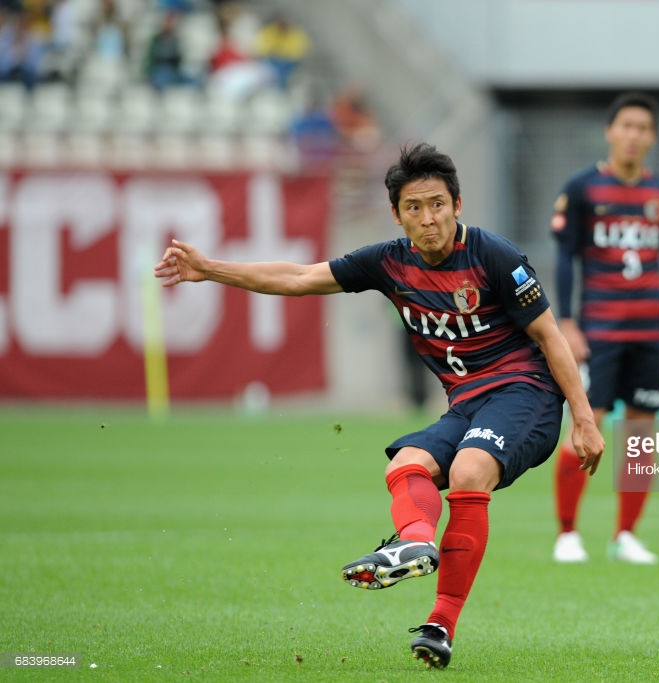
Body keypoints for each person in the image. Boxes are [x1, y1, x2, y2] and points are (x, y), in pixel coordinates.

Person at [153, 142, 605, 669]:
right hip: (465, 404)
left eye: (437, 204)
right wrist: (210, 269)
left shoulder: (495, 257)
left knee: (467, 470)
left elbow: (550, 337)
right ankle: (414, 545)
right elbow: (299, 278)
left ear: (458, 206)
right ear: (397, 214)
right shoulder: (388, 262)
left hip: (526, 392)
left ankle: (442, 620)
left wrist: (585, 418)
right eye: (414, 207)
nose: (428, 218)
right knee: (406, 464)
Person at [549, 91, 659, 565]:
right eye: (626, 126)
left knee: (641, 435)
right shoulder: (583, 189)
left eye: (643, 128)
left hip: (650, 330)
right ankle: (567, 533)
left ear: (652, 137)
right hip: (599, 331)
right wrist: (567, 322)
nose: (633, 135)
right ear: (610, 131)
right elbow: (565, 259)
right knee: (588, 427)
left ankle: (625, 535)